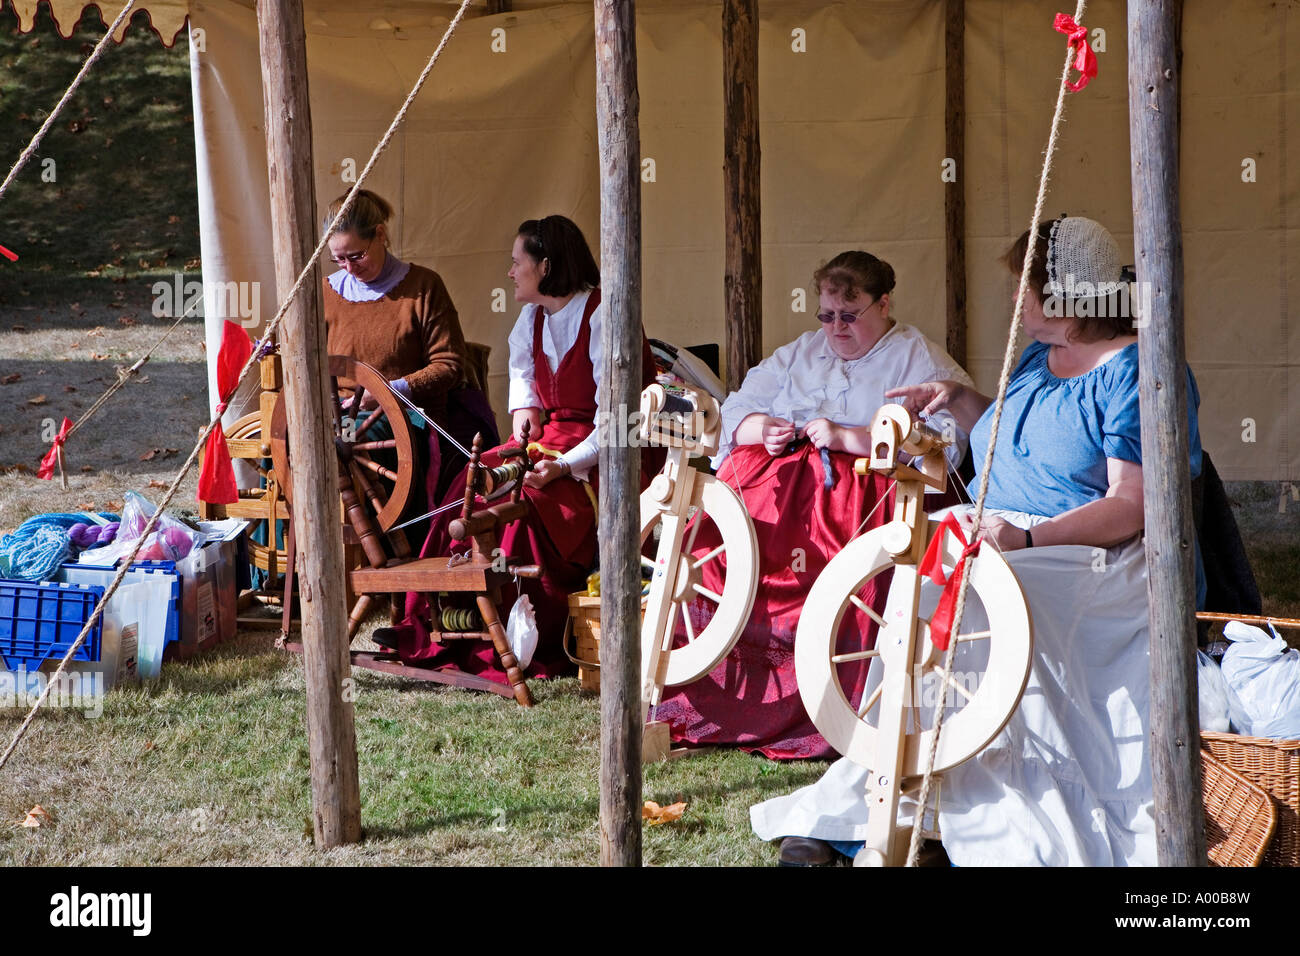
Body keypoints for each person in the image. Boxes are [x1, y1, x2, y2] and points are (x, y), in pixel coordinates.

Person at [751, 216, 1204, 866]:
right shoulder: (1037, 357)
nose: (1016, 298)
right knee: (920, 579)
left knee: (971, 595)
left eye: (1026, 286)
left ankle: (955, 815)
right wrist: (960, 399)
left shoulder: (1139, 371)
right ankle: (893, 798)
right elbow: (1021, 433)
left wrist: (1022, 535)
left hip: (1095, 561)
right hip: (1005, 537)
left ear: (1063, 298)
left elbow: (1132, 506)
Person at [653, 251, 972, 760]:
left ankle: (823, 707)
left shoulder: (918, 359)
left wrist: (850, 437)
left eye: (850, 316)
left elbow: (947, 443)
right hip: (776, 487)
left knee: (832, 563)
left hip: (864, 493)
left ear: (884, 303)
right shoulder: (801, 352)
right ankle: (729, 698)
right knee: (725, 544)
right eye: (826, 315)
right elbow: (735, 404)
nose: (835, 328)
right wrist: (761, 428)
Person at [381, 215, 661, 681]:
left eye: (517, 263)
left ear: (546, 267)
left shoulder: (604, 317)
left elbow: (618, 424)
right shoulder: (530, 319)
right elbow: (525, 400)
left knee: (525, 505)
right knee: (469, 486)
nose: (509, 273)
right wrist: (520, 436)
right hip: (547, 442)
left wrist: (561, 468)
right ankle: (436, 621)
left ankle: (516, 633)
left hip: (609, 456)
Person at [321, 189, 497, 508]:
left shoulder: (424, 287)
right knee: (286, 444)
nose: (348, 267)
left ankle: (374, 547)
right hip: (342, 412)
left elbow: (449, 365)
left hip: (411, 416)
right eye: (339, 259)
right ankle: (284, 552)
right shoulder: (326, 293)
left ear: (380, 234)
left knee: (344, 444)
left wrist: (391, 392)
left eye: (357, 255)